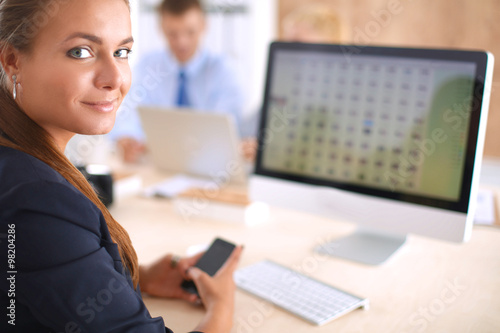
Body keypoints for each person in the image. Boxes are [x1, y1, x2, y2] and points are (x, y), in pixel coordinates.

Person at [0, 0, 242, 332]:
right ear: (12, 60)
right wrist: (222, 305)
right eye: (81, 52)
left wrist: (126, 278)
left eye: (122, 52)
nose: (116, 79)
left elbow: (34, 272)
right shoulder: (36, 198)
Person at [110, 0, 245, 163]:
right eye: (173, 34)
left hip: (208, 165)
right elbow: (129, 112)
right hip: (157, 164)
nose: (182, 42)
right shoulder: (147, 67)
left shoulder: (224, 71)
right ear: (161, 28)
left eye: (190, 32)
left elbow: (228, 129)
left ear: (203, 25)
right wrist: (127, 138)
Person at [241, 4, 346, 162]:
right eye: (287, 43)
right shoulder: (282, 90)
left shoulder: (340, 102)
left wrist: (272, 154)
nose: (288, 54)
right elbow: (245, 132)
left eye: (298, 44)